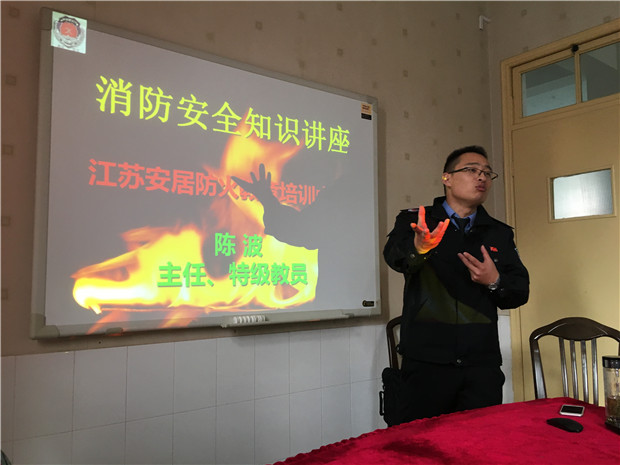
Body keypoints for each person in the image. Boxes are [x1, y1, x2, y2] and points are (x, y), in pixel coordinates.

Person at [383, 145, 529, 424]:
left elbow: (519, 291)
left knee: (479, 440)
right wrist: (418, 249)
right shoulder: (417, 221)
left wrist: (494, 281)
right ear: (446, 178)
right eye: (472, 170)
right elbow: (394, 258)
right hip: (426, 363)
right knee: (420, 441)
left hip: (480, 365)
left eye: (487, 172)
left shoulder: (498, 232)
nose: (481, 177)